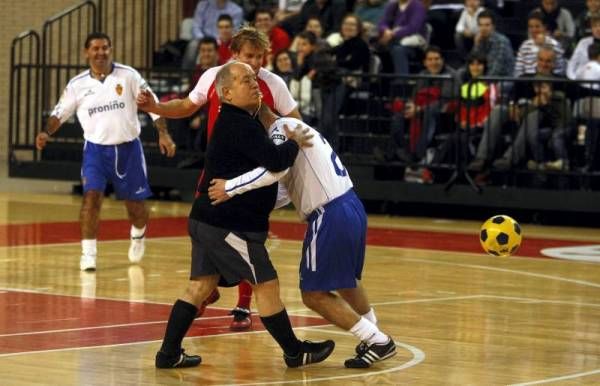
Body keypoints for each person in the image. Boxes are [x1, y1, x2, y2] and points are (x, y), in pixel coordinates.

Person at [153, 61, 334, 370]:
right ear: (226, 92)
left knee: (199, 287)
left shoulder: (239, 121)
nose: (254, 84)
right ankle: (294, 351)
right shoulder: (238, 123)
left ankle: (168, 354)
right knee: (267, 283)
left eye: (254, 79)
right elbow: (277, 162)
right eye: (245, 81)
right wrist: (293, 141)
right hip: (226, 226)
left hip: (206, 221)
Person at [137, 26, 302, 331]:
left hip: (254, 169)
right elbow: (187, 106)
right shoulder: (215, 76)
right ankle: (207, 283)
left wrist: (279, 137)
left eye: (260, 57)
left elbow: (296, 122)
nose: (255, 64)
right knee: (203, 225)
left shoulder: (272, 82)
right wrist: (156, 107)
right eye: (249, 56)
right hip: (219, 165)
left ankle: (242, 304)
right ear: (234, 55)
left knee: (251, 236)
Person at [206, 107, 397, 368]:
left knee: (313, 295)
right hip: (350, 205)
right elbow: (286, 189)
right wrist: (248, 206)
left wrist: (230, 187)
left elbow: (273, 172)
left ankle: (377, 340)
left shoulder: (280, 130)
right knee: (347, 281)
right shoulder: (293, 128)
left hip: (329, 213)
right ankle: (372, 331)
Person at [35, 32, 176, 271]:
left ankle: (138, 234)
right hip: (95, 151)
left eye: (105, 48)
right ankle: (88, 253)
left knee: (136, 208)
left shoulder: (129, 75)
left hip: (129, 149)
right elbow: (59, 114)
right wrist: (46, 132)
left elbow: (152, 105)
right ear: (86, 52)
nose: (100, 53)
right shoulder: (77, 85)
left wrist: (163, 132)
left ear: (110, 50)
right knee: (91, 199)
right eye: (95, 48)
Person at [182, 0, 244, 69]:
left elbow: (235, 31)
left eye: (226, 27)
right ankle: (186, 74)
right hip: (204, 38)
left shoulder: (237, 10)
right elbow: (196, 27)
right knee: (193, 45)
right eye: (221, 27)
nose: (224, 29)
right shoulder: (203, 5)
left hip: (226, 39)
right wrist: (205, 41)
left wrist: (220, 40)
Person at [470, 10, 515, 77]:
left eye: (487, 25)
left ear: (493, 26)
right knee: (460, 73)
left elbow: (496, 69)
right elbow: (473, 62)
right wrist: (476, 44)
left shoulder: (501, 41)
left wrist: (483, 84)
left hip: (503, 79)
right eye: (481, 25)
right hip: (485, 76)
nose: (483, 28)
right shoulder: (479, 39)